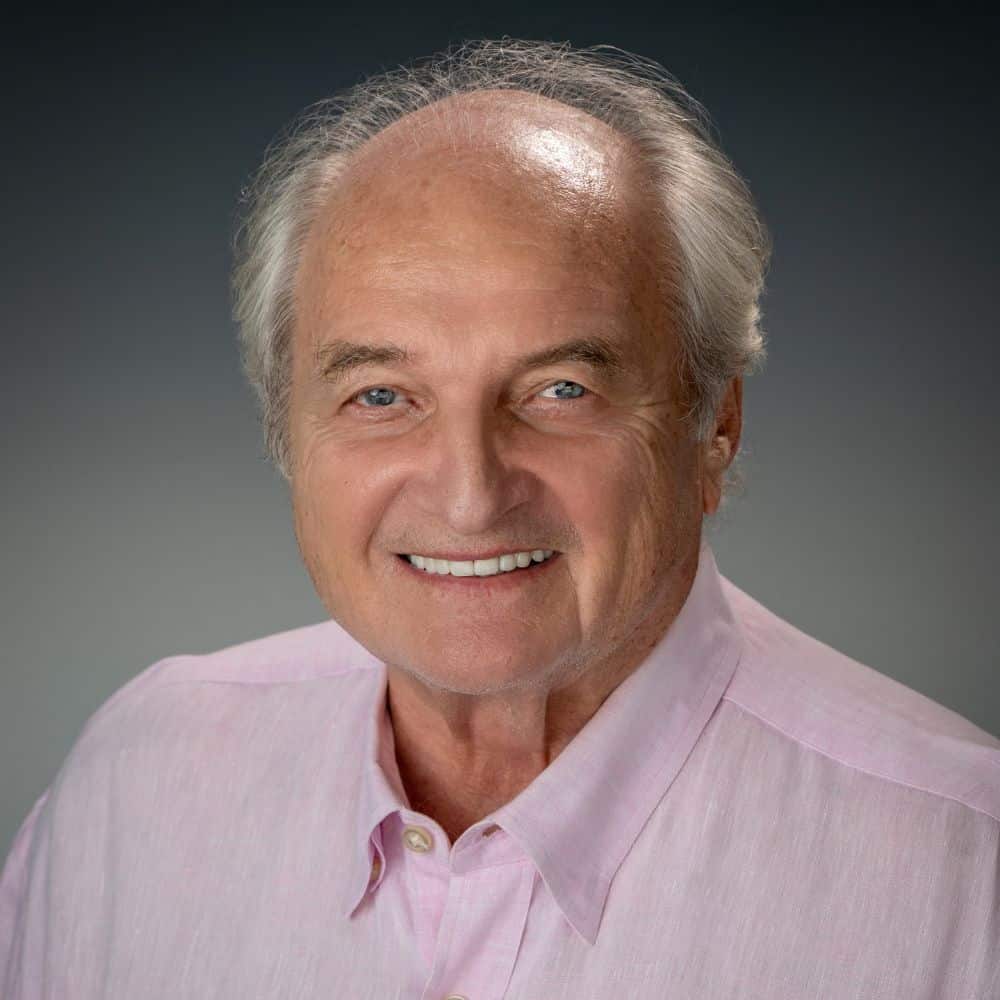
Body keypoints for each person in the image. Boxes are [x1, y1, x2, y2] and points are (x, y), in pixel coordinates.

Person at [2, 37, 997, 998]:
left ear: (714, 425)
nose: (470, 493)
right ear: (284, 429)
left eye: (560, 390)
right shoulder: (138, 784)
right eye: (382, 394)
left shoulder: (962, 870)